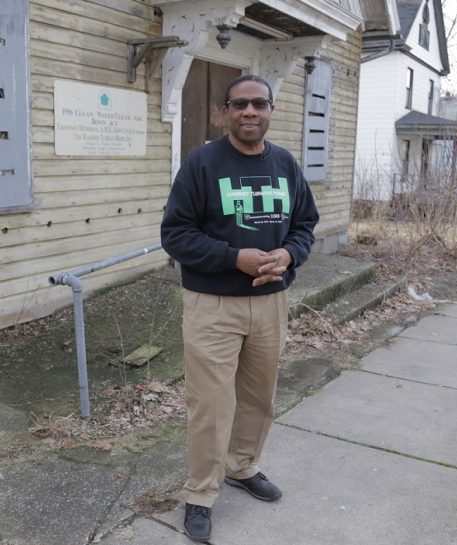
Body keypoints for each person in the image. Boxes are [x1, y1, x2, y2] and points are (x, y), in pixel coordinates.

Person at [160, 74, 319, 542]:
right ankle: (200, 494)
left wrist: (289, 255)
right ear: (224, 112)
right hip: (214, 305)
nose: (250, 112)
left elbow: (306, 225)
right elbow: (176, 234)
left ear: (270, 110)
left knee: (258, 398)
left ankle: (242, 467)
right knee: (211, 404)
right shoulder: (202, 163)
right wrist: (235, 257)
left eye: (259, 104)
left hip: (270, 305)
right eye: (240, 104)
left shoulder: (286, 164)